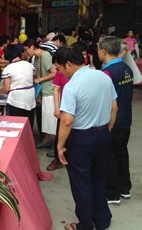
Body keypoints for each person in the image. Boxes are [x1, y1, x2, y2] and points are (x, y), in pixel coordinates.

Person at [55, 46, 118, 230]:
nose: (61, 73)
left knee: (81, 182)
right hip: (103, 134)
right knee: (99, 177)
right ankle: (102, 220)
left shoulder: (72, 85)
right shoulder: (103, 76)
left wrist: (60, 146)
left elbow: (66, 121)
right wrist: (106, 130)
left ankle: (85, 225)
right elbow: (114, 108)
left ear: (68, 64)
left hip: (81, 138)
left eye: (60, 68)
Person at [98, 36, 134, 205]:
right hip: (126, 119)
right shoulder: (127, 68)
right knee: (122, 153)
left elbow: (106, 102)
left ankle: (112, 194)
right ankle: (125, 188)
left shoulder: (107, 73)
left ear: (103, 51)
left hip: (112, 121)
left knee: (110, 156)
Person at [23, 39, 57, 148]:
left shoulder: (45, 55)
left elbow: (54, 72)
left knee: (51, 118)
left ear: (32, 47)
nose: (26, 52)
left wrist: (40, 79)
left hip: (50, 90)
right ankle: (47, 140)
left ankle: (54, 143)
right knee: (46, 117)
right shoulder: (36, 57)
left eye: (26, 49)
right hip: (44, 90)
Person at [0, 45, 35, 127]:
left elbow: (6, 88)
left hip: (17, 99)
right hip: (30, 97)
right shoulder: (29, 65)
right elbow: (32, 80)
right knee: (28, 123)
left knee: (16, 124)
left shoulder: (8, 68)